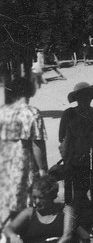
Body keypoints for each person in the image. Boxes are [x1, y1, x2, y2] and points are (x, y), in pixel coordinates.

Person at [1, 76, 48, 222]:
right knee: (26, 204)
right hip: (24, 164)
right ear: (29, 92)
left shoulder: (2, 112)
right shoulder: (32, 113)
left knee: (8, 202)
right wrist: (43, 169)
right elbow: (37, 144)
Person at [58, 82, 93, 207]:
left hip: (77, 161)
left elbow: (61, 138)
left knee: (75, 198)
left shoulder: (69, 114)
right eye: (83, 96)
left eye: (87, 96)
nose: (85, 99)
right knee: (90, 197)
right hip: (85, 162)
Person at [2, 176, 85, 243]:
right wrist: (13, 236)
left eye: (41, 198)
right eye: (34, 198)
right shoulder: (29, 213)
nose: (37, 202)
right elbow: (8, 229)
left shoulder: (66, 210)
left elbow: (67, 236)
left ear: (51, 195)